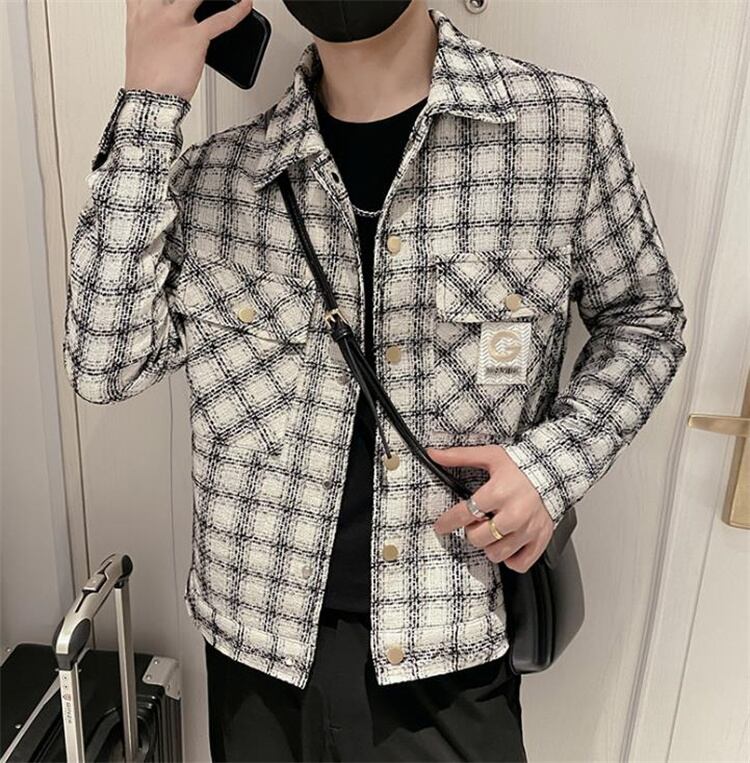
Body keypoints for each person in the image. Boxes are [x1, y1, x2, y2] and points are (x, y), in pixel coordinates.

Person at [62, 1, 687, 761]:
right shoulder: (218, 177)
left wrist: (548, 469)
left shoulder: (558, 133)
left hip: (449, 645)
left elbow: (645, 317)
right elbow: (105, 361)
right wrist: (148, 106)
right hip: (256, 652)